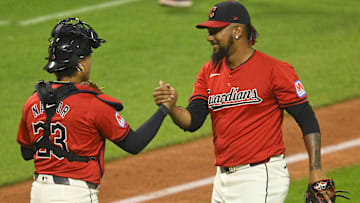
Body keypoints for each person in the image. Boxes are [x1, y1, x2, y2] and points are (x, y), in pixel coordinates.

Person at [153, 1, 333, 202]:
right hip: (222, 180)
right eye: (209, 31)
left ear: (237, 31)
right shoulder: (209, 71)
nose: (210, 37)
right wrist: (171, 107)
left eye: (216, 30)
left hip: (260, 177)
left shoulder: (274, 70)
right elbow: (192, 121)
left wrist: (316, 168)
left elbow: (306, 119)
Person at [17, 17, 169, 203]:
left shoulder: (32, 101)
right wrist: (164, 108)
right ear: (79, 64)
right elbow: (134, 144)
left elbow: (26, 153)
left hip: (38, 193)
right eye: (88, 57)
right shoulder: (92, 104)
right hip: (74, 196)